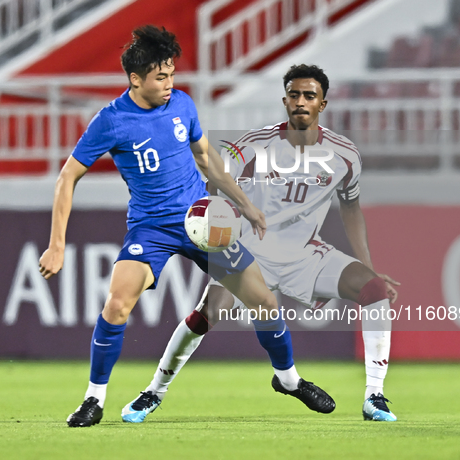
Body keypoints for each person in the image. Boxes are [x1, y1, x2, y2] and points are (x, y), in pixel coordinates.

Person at [39, 28, 335, 427]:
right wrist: (56, 245)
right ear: (135, 79)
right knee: (117, 303)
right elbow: (66, 178)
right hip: (151, 228)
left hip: (202, 221)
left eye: (172, 75)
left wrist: (246, 206)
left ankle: (289, 380)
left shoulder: (182, 105)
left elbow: (206, 158)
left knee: (264, 301)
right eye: (161, 77)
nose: (170, 84)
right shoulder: (111, 121)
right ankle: (93, 400)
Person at [122, 64, 400, 423]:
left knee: (374, 289)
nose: (301, 101)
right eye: (295, 95)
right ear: (285, 100)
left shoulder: (345, 156)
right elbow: (214, 177)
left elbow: (351, 209)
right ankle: (153, 392)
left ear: (323, 104)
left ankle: (374, 397)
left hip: (306, 255)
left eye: (309, 96)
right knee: (205, 316)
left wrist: (369, 265)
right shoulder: (254, 145)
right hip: (250, 253)